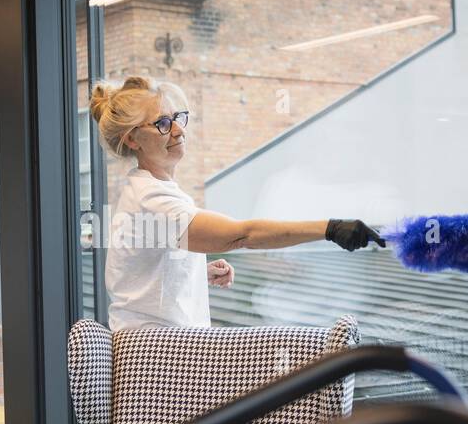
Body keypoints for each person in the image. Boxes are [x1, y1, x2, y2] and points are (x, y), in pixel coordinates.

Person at [90, 76, 384, 332]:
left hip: (164, 349)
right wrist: (330, 229)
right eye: (163, 124)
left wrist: (196, 273)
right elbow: (242, 235)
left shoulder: (149, 191)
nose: (178, 129)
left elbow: (143, 276)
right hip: (156, 361)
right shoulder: (150, 199)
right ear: (133, 140)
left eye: (177, 117)